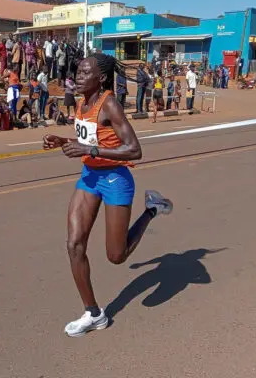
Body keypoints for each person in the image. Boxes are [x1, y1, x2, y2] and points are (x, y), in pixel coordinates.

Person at [42, 53, 173, 337]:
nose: (78, 76)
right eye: (77, 71)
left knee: (116, 255)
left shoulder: (109, 104)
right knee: (74, 245)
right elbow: (91, 140)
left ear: (100, 78)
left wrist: (89, 151)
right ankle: (93, 313)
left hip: (115, 179)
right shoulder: (81, 102)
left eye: (84, 72)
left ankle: (152, 209)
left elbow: (135, 150)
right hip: (89, 177)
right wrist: (63, 141)